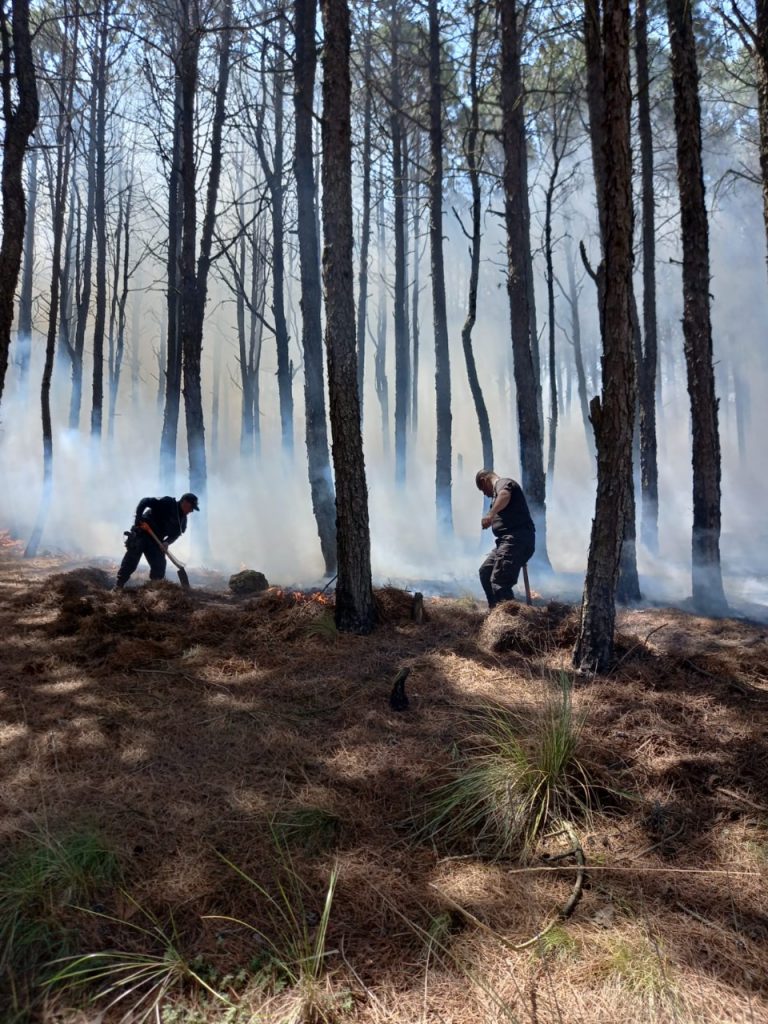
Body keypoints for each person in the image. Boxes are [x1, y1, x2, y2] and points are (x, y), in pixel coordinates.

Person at [475, 469, 535, 608]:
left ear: (484, 480)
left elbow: (505, 495)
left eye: (482, 490)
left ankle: (511, 620)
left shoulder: (503, 483)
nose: (485, 494)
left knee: (500, 581)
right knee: (485, 572)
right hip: (505, 542)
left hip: (516, 540)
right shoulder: (497, 493)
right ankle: (495, 614)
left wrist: (490, 515)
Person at [114, 493, 199, 590]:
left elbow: (175, 535)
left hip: (156, 540)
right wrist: (138, 518)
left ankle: (151, 591)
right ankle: (118, 586)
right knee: (131, 560)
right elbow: (144, 501)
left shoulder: (182, 521)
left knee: (159, 566)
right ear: (185, 502)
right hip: (143, 531)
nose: (192, 511)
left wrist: (167, 542)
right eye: (191, 507)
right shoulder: (167, 502)